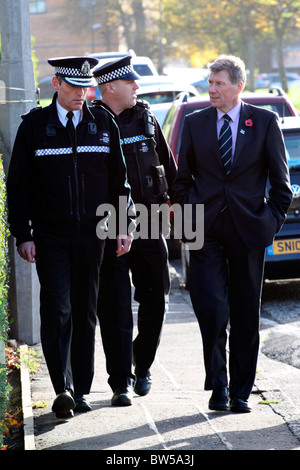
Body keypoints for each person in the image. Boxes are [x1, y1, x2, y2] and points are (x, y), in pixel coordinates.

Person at [7, 56, 132, 418]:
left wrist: (124, 226)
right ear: (56, 85)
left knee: (85, 311)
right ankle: (62, 388)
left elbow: (118, 182)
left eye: (86, 86)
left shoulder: (103, 123)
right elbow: (19, 187)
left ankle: (81, 390)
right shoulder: (34, 127)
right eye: (75, 86)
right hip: (51, 236)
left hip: (93, 237)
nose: (82, 94)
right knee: (57, 308)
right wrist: (23, 235)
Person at [173, 54, 292, 413]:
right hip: (205, 230)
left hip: (248, 230)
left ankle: (240, 390)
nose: (212, 90)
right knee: (211, 308)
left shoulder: (266, 122)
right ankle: (218, 387)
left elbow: (281, 186)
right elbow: (181, 183)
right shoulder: (195, 124)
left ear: (238, 86)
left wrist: (268, 222)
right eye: (209, 83)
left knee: (243, 312)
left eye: (219, 84)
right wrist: (186, 223)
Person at [92, 55, 177, 406]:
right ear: (111, 87)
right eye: (131, 82)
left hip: (150, 217)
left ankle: (142, 365)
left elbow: (168, 170)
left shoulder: (146, 117)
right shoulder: (92, 122)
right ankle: (120, 382)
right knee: (114, 305)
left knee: (156, 297)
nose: (137, 87)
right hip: (109, 221)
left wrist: (174, 204)